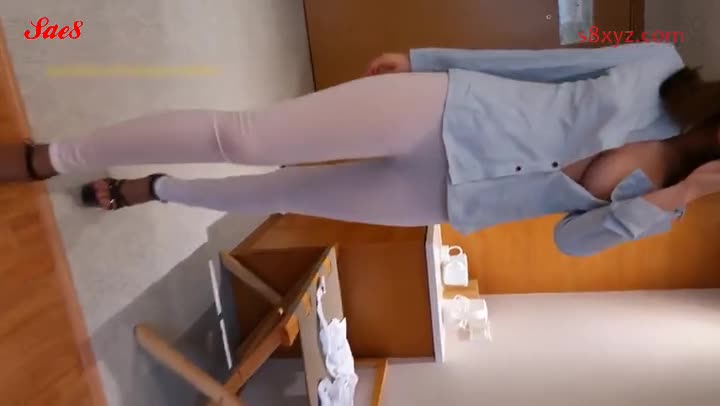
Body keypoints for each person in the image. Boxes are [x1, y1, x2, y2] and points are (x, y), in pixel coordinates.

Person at [2, 43, 720, 256]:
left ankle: (158, 189)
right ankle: (53, 156)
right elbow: (538, 64)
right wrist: (425, 59)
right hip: (450, 111)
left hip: (447, 199)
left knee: (281, 193)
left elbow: (571, 242)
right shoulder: (658, 66)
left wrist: (682, 193)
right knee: (247, 138)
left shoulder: (668, 208)